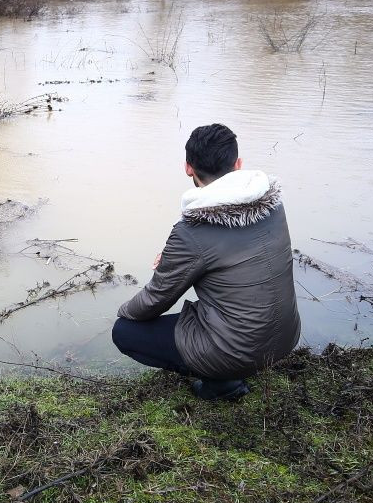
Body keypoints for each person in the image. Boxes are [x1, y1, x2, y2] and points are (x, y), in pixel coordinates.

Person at [112, 124, 300, 400]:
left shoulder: (191, 233)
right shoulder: (274, 205)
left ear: (188, 168)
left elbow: (155, 301)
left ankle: (223, 385)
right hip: (286, 337)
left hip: (238, 352)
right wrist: (179, 258)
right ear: (238, 164)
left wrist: (123, 310)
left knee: (125, 331)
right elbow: (234, 257)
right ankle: (233, 368)